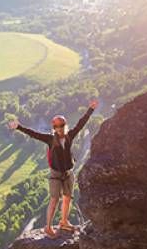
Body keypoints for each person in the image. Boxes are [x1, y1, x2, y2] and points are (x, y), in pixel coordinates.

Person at [8, 100, 98, 238]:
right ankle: (48, 227)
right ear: (53, 127)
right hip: (55, 175)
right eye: (56, 126)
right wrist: (18, 127)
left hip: (68, 173)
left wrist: (90, 110)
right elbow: (33, 133)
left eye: (61, 125)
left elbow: (81, 124)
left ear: (65, 125)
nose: (59, 128)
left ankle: (63, 222)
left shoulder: (69, 136)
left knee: (68, 198)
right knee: (54, 199)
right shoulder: (50, 139)